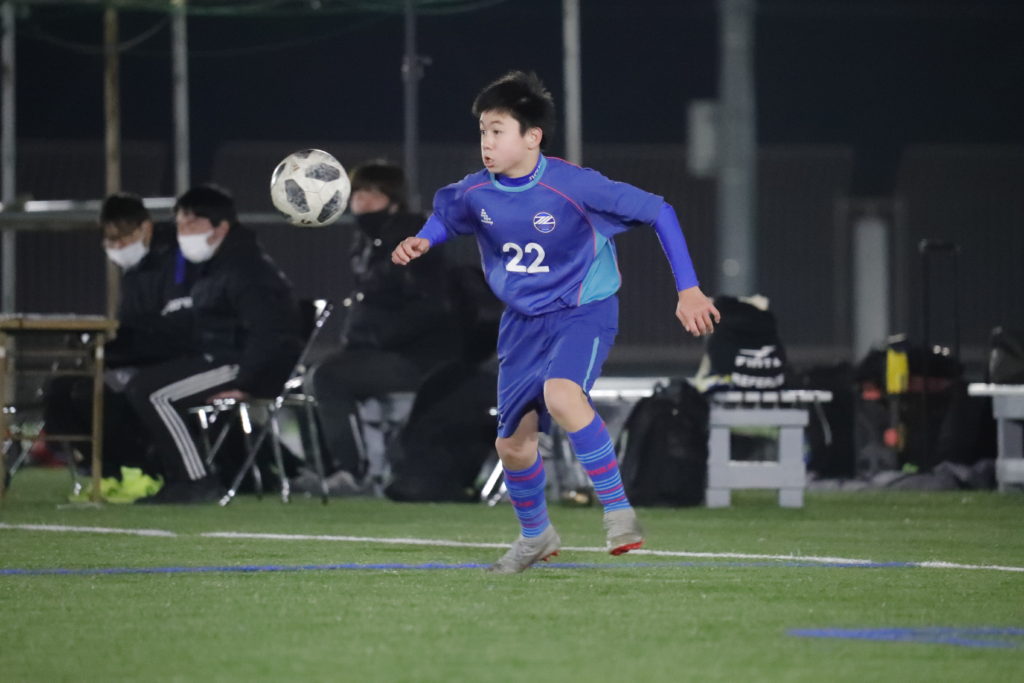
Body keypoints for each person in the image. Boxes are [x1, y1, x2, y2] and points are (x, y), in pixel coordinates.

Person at [392, 71, 721, 573]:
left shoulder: (574, 186)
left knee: (562, 396)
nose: (486, 142)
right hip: (522, 322)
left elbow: (660, 212)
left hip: (582, 311)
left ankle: (619, 512)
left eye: (498, 131)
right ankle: (536, 536)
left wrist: (689, 289)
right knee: (512, 445)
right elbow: (447, 217)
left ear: (532, 137)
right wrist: (424, 239)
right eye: (482, 131)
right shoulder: (475, 192)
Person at [125, 184, 303, 504]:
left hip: (240, 365)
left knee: (153, 393)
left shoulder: (247, 269)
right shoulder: (216, 264)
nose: (183, 232)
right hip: (222, 359)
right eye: (180, 224)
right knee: (142, 385)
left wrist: (248, 384)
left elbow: (270, 334)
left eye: (192, 224)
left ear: (222, 227)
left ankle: (196, 481)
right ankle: (179, 478)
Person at [307, 161, 460, 486]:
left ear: (394, 201)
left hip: (418, 359)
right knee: (309, 378)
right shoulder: (368, 241)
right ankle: (324, 470)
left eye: (373, 194)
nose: (362, 201)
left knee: (327, 377)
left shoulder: (413, 239)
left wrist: (377, 338)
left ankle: (353, 473)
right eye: (358, 193)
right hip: (383, 350)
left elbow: (431, 306)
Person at [42, 193, 191, 489]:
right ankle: (102, 470)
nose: (118, 246)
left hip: (172, 358)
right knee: (58, 390)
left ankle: (139, 469)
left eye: (123, 237)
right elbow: (132, 326)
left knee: (92, 393)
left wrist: (115, 352)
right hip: (138, 356)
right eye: (110, 240)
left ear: (145, 228)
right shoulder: (135, 271)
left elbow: (175, 329)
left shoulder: (178, 260)